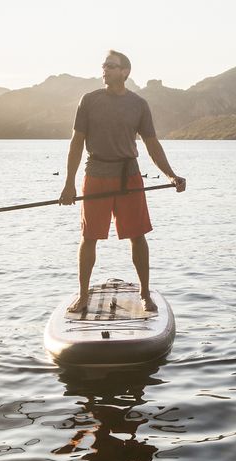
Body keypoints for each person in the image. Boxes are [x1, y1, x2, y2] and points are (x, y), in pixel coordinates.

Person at [59, 50, 186, 313]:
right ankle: (83, 295)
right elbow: (76, 144)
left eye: (110, 66)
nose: (104, 69)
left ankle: (145, 294)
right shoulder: (89, 101)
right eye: (103, 65)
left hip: (129, 178)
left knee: (138, 236)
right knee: (89, 236)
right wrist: (69, 183)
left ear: (125, 72)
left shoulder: (138, 104)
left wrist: (171, 175)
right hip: (96, 176)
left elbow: (152, 145)